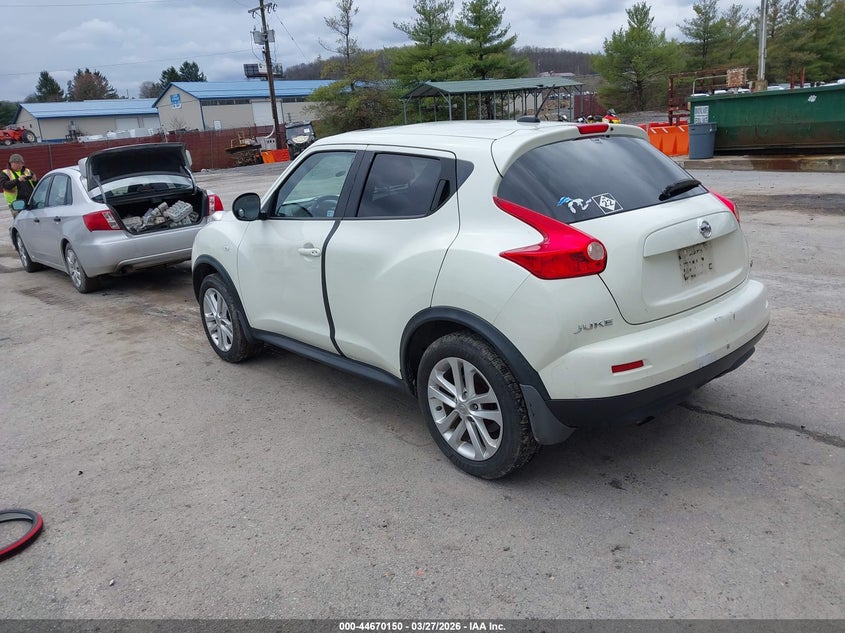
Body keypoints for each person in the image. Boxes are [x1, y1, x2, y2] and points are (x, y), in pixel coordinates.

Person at [2, 153, 37, 218]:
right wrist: (18, 180)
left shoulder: (27, 171)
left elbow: (36, 185)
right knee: (20, 223)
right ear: (11, 163)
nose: (20, 165)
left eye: (21, 163)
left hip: (30, 201)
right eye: (17, 163)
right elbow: (5, 185)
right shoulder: (5, 173)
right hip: (16, 203)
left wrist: (35, 180)